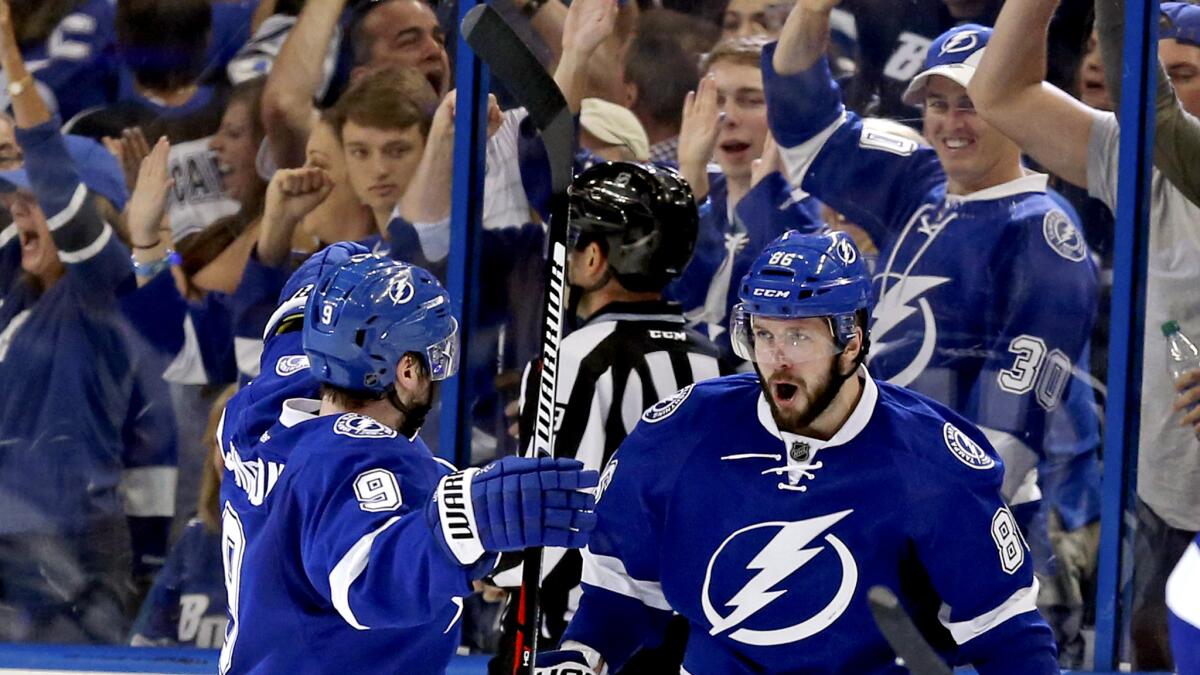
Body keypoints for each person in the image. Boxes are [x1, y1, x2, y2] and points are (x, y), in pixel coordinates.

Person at [536, 230, 1058, 674]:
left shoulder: (935, 464)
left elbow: (1007, 634)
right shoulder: (682, 434)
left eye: (798, 337)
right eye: (763, 334)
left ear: (851, 342)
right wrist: (582, 656)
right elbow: (622, 593)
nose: (776, 359)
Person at [765, 1, 1100, 548]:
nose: (949, 123)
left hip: (961, 526)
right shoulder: (918, 180)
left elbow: (1006, 435)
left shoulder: (1041, 232)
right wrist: (811, 9)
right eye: (938, 104)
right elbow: (803, 119)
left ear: (1015, 105)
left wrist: (924, 534)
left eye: (971, 104)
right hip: (865, 490)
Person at [218, 254, 599, 673]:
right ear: (408, 370)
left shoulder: (260, 414)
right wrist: (462, 527)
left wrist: (483, 556)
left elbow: (299, 328)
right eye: (433, 357)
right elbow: (367, 575)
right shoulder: (348, 456)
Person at [967, 0, 1200, 668]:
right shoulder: (1143, 162)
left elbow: (1153, 113)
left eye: (1180, 73)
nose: (1159, 90)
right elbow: (998, 92)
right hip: (1164, 494)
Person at [0, 0, 176, 642]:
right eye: (15, 197)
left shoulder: (102, 290)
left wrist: (17, 74)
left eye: (35, 201)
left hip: (71, 560)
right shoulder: (14, 291)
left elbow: (70, 207)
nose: (22, 211)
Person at [510, 161, 732, 650]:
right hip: (705, 634)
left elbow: (548, 514)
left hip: (591, 635)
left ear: (594, 258)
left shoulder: (572, 360)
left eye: (572, 244)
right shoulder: (725, 361)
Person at [669, 36, 822, 359]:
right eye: (717, 101)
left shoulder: (822, 210)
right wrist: (690, 175)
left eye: (751, 100)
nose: (728, 117)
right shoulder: (686, 188)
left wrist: (765, 199)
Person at [1095, 0, 1200, 208]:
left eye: (1183, 75)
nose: (1166, 89)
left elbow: (1155, 111)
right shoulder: (1118, 146)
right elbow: (1016, 98)